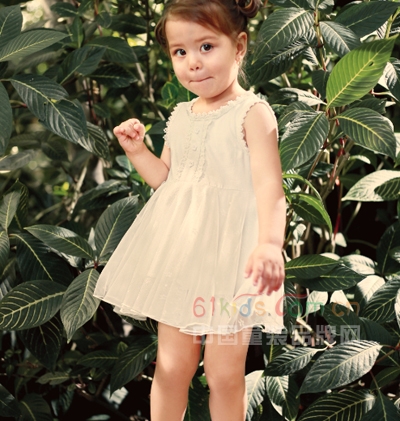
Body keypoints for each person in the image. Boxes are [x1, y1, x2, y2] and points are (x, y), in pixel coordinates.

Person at [93, 0, 287, 419]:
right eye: (180, 52)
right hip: (183, 259)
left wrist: (271, 245)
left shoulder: (252, 113)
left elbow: (270, 186)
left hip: (233, 264)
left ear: (239, 46)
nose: (193, 62)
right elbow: (168, 180)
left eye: (206, 47)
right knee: (172, 367)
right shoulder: (182, 114)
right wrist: (137, 151)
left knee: (224, 374)